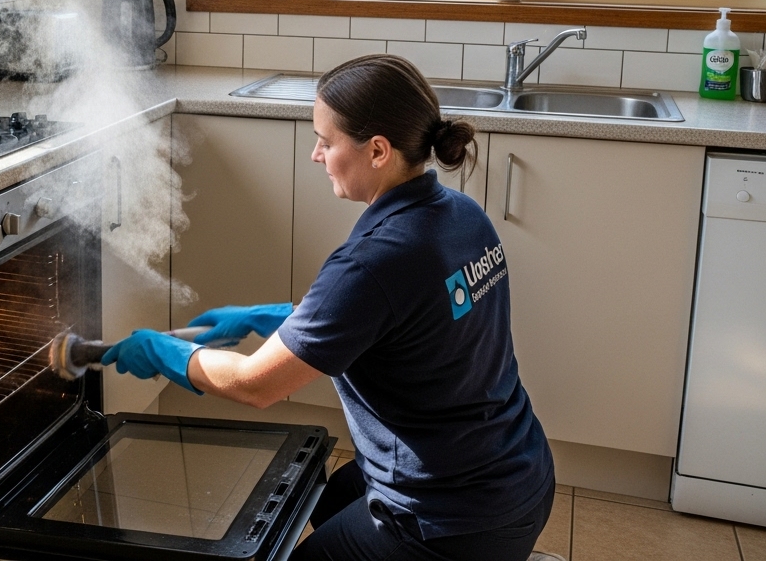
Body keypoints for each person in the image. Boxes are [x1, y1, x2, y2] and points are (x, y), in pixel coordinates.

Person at [102, 54, 555, 561]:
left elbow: (256, 385)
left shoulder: (374, 261)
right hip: (520, 470)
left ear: (378, 150)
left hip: (451, 515)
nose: (316, 155)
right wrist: (267, 317)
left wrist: (164, 353)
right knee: (328, 496)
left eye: (327, 140)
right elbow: (388, 319)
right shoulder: (462, 214)